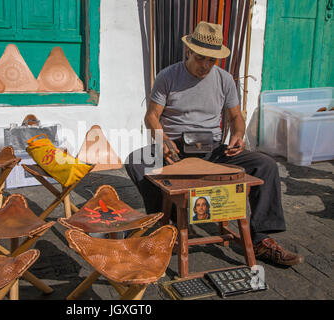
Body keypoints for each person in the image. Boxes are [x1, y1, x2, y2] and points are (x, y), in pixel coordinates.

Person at [125, 21, 303, 266]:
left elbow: (235, 116)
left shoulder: (224, 79)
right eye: (200, 59)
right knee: (136, 161)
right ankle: (166, 224)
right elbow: (151, 116)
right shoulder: (168, 76)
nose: (205, 66)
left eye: (212, 60)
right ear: (189, 51)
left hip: (212, 149)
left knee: (266, 165)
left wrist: (238, 135)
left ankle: (261, 240)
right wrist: (163, 140)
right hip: (174, 150)